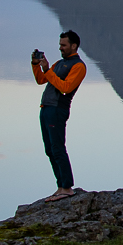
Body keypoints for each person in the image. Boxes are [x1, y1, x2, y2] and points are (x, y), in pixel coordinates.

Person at [31, 29, 87, 202]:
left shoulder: (78, 66)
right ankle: (60, 186)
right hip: (46, 108)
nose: (60, 48)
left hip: (58, 109)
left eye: (64, 45)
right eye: (60, 45)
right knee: (49, 149)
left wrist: (48, 70)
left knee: (58, 148)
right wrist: (36, 65)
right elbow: (41, 80)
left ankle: (67, 187)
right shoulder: (59, 64)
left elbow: (66, 87)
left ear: (74, 45)